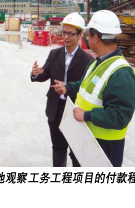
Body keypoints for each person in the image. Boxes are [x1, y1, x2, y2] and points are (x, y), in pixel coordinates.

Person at [53, 10, 135, 167]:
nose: (86, 38)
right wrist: (68, 88)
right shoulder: (96, 63)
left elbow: (120, 116)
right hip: (86, 140)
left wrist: (87, 115)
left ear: (96, 38)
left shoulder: (121, 73)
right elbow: (85, 86)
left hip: (103, 148)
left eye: (88, 35)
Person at [31, 13, 94, 167]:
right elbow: (44, 74)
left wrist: (68, 89)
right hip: (55, 109)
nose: (65, 37)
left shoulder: (88, 61)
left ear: (79, 35)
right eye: (63, 33)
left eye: (70, 34)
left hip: (75, 110)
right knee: (58, 148)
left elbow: (87, 88)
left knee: (76, 151)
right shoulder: (54, 54)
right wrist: (35, 74)